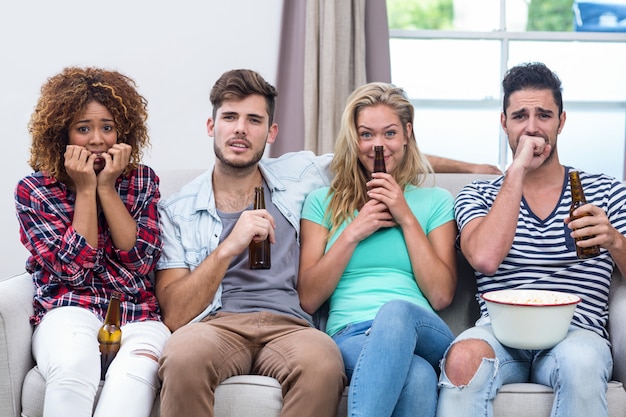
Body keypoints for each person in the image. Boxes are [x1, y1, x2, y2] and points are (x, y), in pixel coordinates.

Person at [436, 62, 626, 417]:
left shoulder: (607, 191)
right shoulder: (476, 195)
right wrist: (518, 170)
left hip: (576, 333)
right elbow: (485, 259)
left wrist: (615, 241)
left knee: (582, 362)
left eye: (544, 115)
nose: (533, 128)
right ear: (503, 122)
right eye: (520, 116)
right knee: (462, 359)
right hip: (500, 333)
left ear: (562, 121)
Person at [155, 68, 347, 417]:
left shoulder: (301, 173)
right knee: (182, 355)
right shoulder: (176, 210)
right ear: (212, 127)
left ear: (270, 132)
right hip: (217, 324)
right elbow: (175, 314)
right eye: (229, 117)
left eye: (254, 120)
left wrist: (474, 166)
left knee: (323, 363)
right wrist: (229, 246)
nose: (240, 128)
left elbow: (370, 157)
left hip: (291, 325)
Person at [14, 67, 169, 417]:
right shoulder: (34, 190)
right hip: (67, 309)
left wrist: (106, 188)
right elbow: (71, 269)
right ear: (61, 135)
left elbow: (141, 262)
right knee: (73, 366)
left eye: (107, 127)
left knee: (135, 376)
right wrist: (85, 189)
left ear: (123, 132)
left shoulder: (142, 181)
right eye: (84, 128)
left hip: (138, 317)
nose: (98, 139)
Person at [297, 82, 457, 417]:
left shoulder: (435, 201)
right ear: (354, 139)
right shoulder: (321, 203)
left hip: (421, 327)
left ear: (406, 134)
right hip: (350, 334)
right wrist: (354, 231)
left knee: (395, 312)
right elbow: (308, 298)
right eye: (367, 135)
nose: (377, 145)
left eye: (389, 133)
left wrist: (405, 216)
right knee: (417, 376)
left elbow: (441, 296)